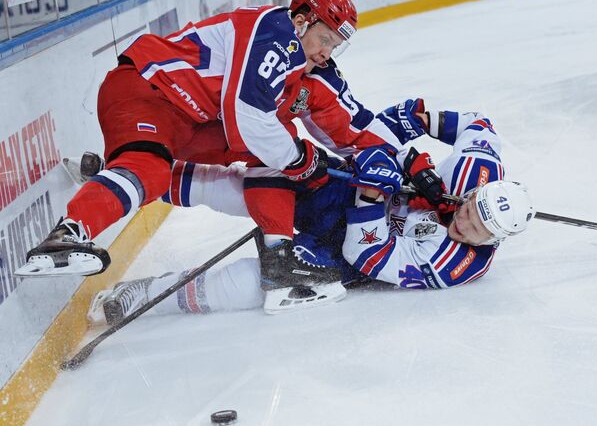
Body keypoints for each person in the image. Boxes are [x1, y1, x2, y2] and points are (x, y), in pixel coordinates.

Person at [17, 0, 412, 290]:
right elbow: (249, 117)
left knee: (269, 151)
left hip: (195, 121)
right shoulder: (275, 31)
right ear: (303, 19)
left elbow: (354, 128)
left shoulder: (311, 71)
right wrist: (300, 159)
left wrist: (402, 164)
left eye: (336, 47)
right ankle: (67, 234)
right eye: (325, 39)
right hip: (146, 88)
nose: (328, 53)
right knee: (156, 167)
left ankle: (278, 255)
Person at [87, 107, 535, 319]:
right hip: (347, 194)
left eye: (476, 230)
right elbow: (478, 123)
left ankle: (146, 296)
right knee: (245, 184)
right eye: (471, 209)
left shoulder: (457, 265)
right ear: (478, 191)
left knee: (259, 279)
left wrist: (370, 195)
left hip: (345, 252)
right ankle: (126, 177)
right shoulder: (479, 169)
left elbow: (369, 258)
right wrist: (402, 140)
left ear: (493, 242)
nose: (464, 222)